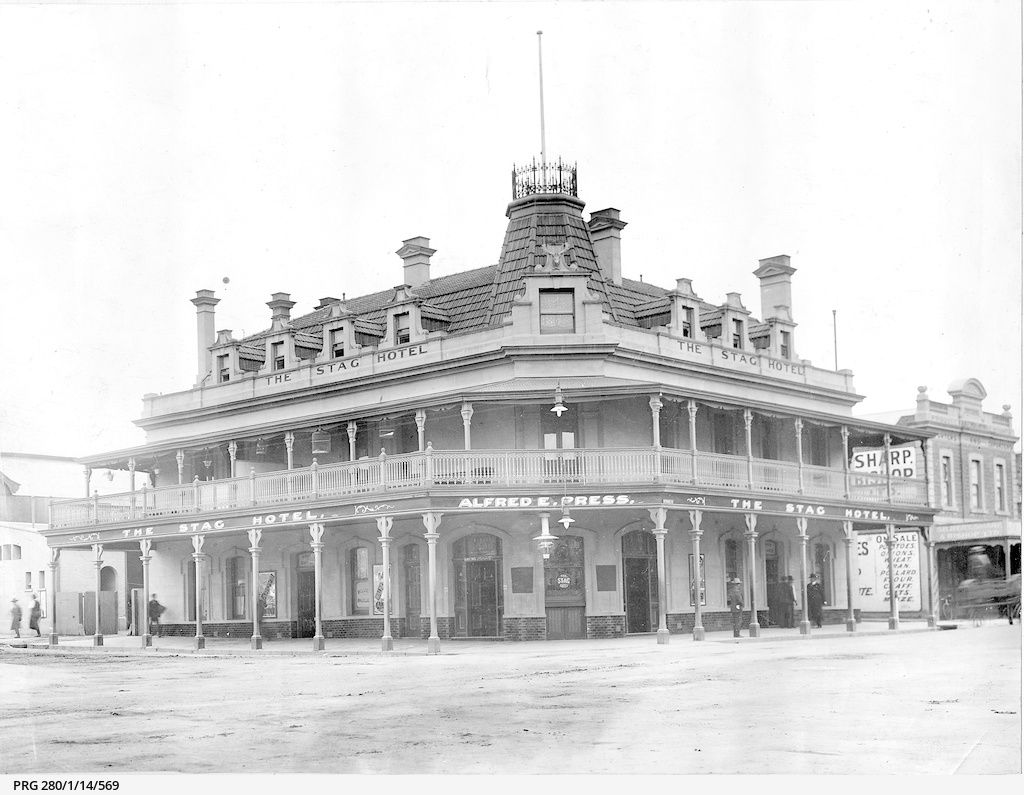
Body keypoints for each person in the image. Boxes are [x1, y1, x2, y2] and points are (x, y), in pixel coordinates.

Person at [726, 574, 744, 638]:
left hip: (733, 608)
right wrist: (742, 604)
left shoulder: (731, 591)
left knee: (735, 621)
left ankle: (735, 633)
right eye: (738, 584)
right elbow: (740, 601)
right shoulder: (737, 592)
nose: (739, 585)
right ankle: (737, 634)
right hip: (738, 608)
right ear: (737, 584)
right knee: (738, 621)